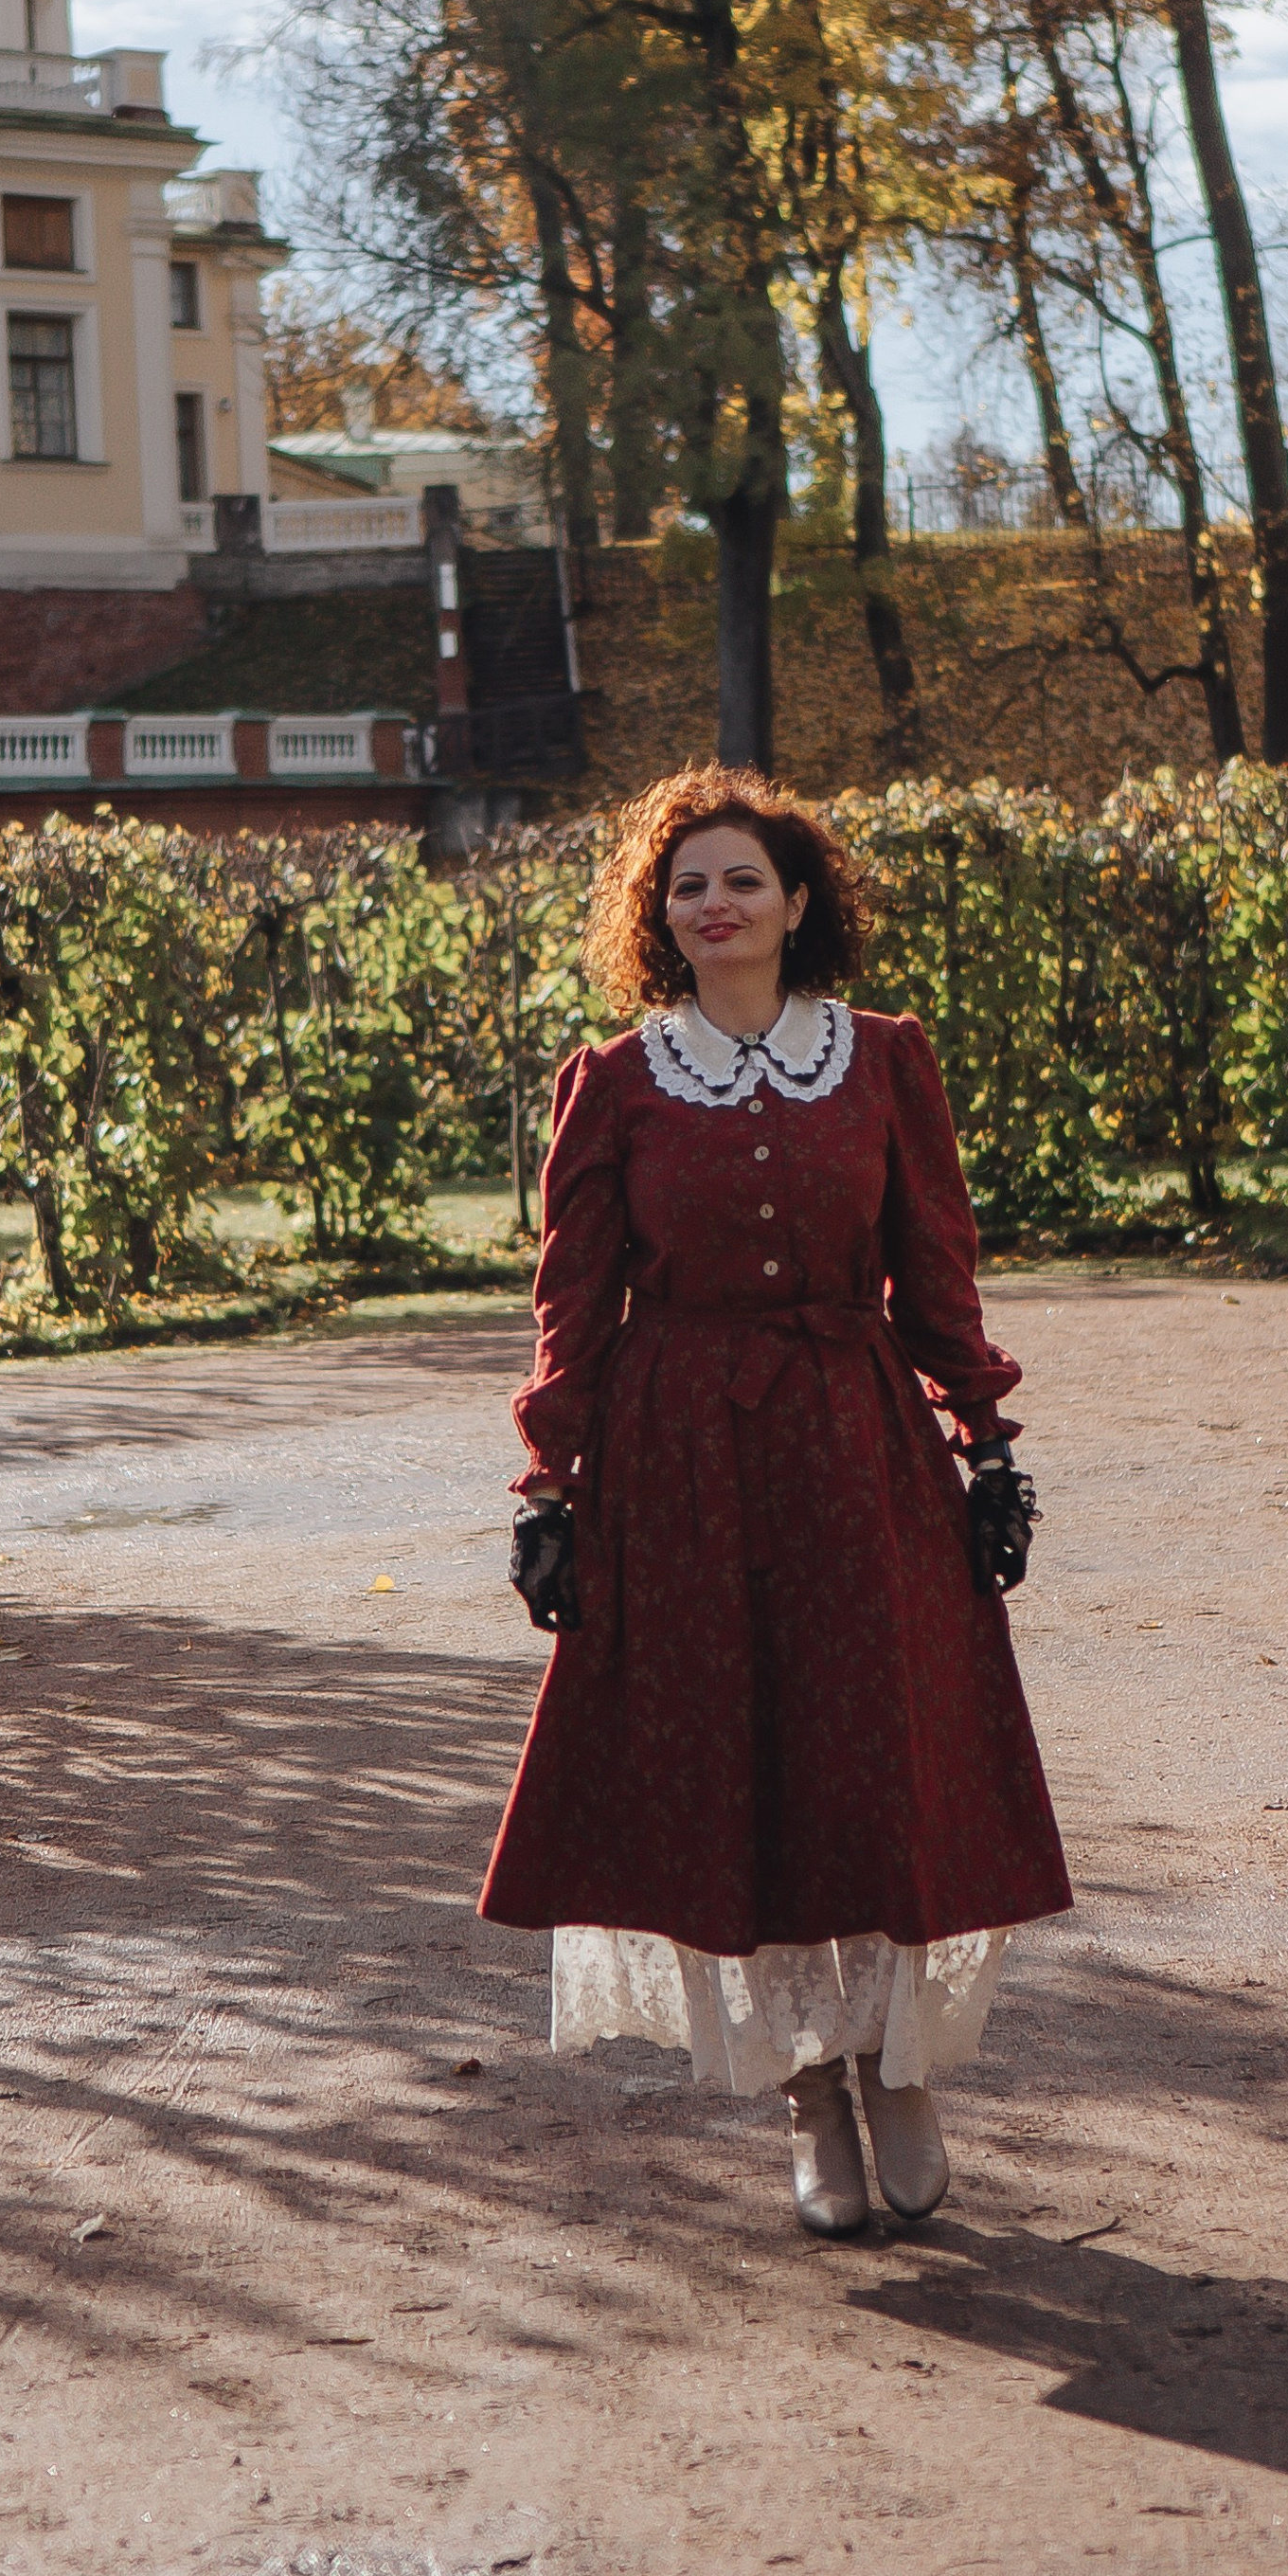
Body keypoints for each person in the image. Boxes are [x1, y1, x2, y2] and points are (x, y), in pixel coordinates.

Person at [478, 766, 1071, 2237]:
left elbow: (936, 1270)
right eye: (688, 886)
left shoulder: (879, 1062)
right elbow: (576, 1309)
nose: (716, 902)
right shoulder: (614, 1084)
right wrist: (549, 1484)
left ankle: (899, 2074)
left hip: (852, 1448)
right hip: (681, 1464)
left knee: (874, 1757)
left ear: (798, 903)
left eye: (743, 879)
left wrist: (986, 1443)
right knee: (734, 1771)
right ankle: (808, 2093)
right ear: (660, 921)